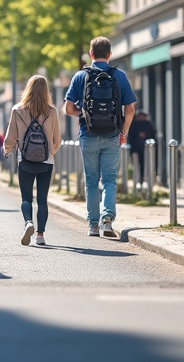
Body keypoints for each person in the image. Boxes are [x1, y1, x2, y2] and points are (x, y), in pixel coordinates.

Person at [64, 36, 137, 239]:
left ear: (91, 54)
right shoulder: (119, 76)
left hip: (88, 135)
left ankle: (93, 225)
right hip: (113, 135)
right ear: (110, 54)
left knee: (91, 180)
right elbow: (130, 109)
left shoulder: (81, 76)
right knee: (110, 180)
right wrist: (124, 132)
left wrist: (85, 114)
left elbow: (68, 108)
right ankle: (107, 220)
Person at [4, 75, 62, 246]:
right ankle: (40, 236)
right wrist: (50, 152)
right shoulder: (51, 111)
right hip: (46, 162)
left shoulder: (17, 110)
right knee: (42, 199)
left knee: (26, 198)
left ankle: (28, 222)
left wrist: (7, 151)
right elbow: (57, 139)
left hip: (25, 160)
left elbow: (10, 138)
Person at [128, 111, 157, 189]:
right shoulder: (134, 124)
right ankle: (139, 180)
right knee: (137, 165)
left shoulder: (148, 125)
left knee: (148, 164)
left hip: (147, 150)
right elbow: (130, 137)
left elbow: (153, 135)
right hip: (136, 149)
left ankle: (148, 181)